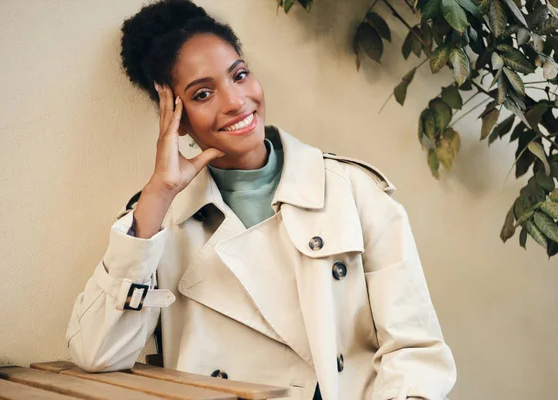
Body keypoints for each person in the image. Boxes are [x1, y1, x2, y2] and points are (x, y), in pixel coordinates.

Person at [65, 1, 457, 399]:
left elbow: (415, 350)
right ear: (176, 118)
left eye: (239, 75)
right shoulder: (158, 224)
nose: (235, 101)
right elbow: (97, 354)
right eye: (203, 93)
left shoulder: (352, 191)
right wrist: (159, 194)